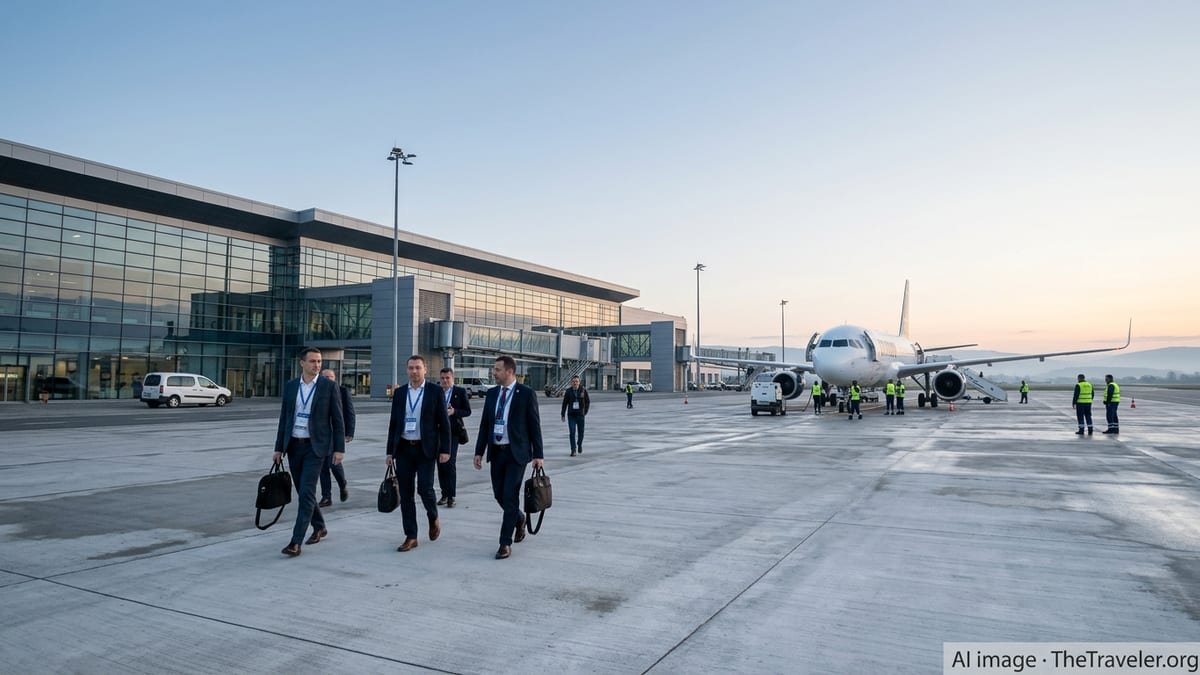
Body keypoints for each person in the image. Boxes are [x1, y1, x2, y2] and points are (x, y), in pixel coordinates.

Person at [273, 347, 345, 557]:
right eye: (313, 361)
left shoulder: (328, 386)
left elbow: (337, 419)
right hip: (294, 446)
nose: (317, 365)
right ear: (302, 363)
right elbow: (284, 418)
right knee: (304, 492)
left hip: (317, 448)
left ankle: (295, 542)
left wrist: (339, 448)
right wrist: (278, 447)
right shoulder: (291, 386)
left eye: (319, 361)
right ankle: (320, 526)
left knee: (306, 492)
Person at [473, 355, 544, 560]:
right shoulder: (493, 393)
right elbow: (485, 424)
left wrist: (538, 454)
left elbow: (534, 425)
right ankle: (519, 518)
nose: (493, 373)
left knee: (510, 494)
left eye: (497, 370)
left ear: (509, 372)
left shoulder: (526, 394)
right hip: (496, 452)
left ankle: (505, 542)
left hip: (517, 453)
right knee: (499, 495)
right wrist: (479, 451)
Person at [386, 355, 451, 553]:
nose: (414, 371)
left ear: (425, 369)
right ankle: (411, 535)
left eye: (418, 368)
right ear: (407, 370)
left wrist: (445, 450)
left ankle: (433, 516)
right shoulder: (400, 393)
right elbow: (394, 424)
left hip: (426, 449)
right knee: (406, 494)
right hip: (404, 448)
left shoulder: (434, 391)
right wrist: (390, 452)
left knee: (425, 489)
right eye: (411, 368)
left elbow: (443, 423)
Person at [318, 369, 354, 506]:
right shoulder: (317, 391)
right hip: (321, 434)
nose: (328, 379)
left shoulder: (342, 391)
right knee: (322, 466)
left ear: (335, 378)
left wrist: (349, 432)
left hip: (335, 434)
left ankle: (342, 483)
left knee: (334, 463)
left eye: (330, 377)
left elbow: (350, 412)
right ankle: (326, 497)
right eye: (325, 377)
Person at [437, 367, 472, 507]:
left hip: (453, 433)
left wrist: (454, 411)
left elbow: (467, 411)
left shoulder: (459, 392)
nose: (445, 381)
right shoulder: (436, 392)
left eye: (448, 378)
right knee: (440, 464)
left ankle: (451, 495)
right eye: (443, 378)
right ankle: (444, 494)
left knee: (450, 463)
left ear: (453, 378)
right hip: (438, 433)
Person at [561, 374, 590, 456]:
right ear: (571, 382)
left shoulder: (583, 390)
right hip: (571, 415)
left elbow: (587, 401)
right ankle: (573, 449)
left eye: (576, 381)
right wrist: (562, 414)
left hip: (580, 415)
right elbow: (564, 403)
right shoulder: (568, 391)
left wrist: (585, 411)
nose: (575, 383)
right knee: (572, 432)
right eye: (573, 382)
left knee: (581, 432)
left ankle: (579, 444)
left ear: (579, 382)